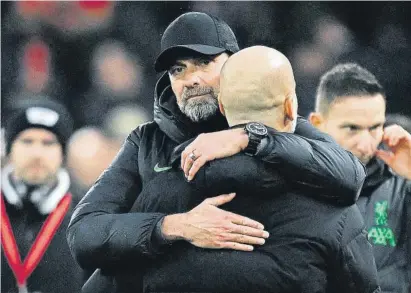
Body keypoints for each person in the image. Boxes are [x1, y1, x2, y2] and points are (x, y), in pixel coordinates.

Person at [67, 12, 367, 291]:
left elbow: (350, 175)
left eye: (204, 63)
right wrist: (173, 226)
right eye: (178, 69)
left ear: (235, 67)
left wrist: (250, 137)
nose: (191, 79)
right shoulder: (147, 142)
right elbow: (84, 233)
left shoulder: (280, 125)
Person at [309, 63, 411, 293]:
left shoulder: (402, 189)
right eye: (352, 128)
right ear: (318, 124)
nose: (366, 144)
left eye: (375, 128)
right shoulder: (292, 183)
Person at [1, 99, 84, 293]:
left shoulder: (90, 214)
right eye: (27, 141)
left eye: (48, 143)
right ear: (9, 149)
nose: (37, 153)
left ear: (63, 153)